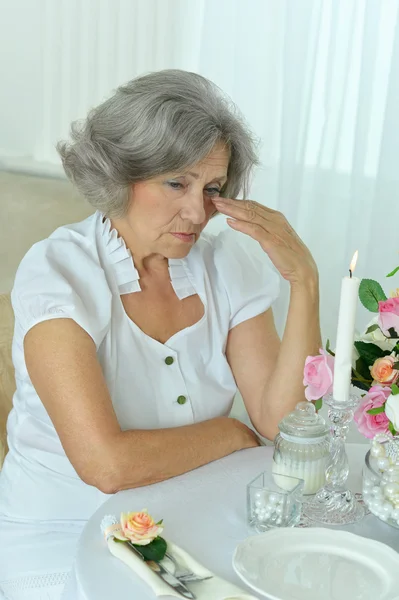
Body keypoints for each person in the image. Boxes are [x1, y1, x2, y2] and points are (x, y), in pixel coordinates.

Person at [0, 69, 321, 599]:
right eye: (177, 182)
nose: (197, 213)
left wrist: (303, 280)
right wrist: (229, 436)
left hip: (184, 523)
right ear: (121, 173)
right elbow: (106, 465)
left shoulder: (224, 264)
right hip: (60, 536)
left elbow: (281, 421)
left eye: (212, 188)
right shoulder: (59, 271)